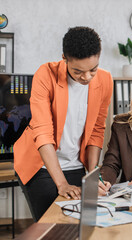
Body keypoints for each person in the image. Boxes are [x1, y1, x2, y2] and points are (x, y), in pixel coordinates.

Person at [14, 26, 113, 221]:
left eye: (92, 70)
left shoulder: (105, 80)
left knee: (83, 222)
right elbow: (42, 132)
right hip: (40, 164)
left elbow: (96, 131)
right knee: (53, 225)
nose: (86, 78)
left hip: (76, 163)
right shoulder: (46, 74)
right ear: (64, 58)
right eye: (78, 71)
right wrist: (62, 184)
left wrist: (93, 175)